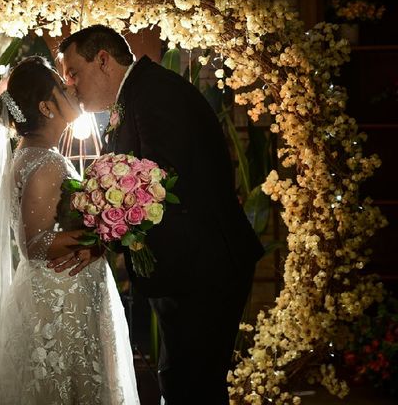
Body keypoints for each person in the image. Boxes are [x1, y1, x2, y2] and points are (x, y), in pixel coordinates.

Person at [52, 25, 265, 404]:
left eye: (74, 73)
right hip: (189, 267)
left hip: (202, 269)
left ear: (102, 60)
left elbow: (159, 187)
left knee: (191, 388)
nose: (71, 86)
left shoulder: (154, 94)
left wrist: (103, 235)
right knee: (185, 383)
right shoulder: (140, 93)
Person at [0, 56, 139, 405]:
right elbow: (35, 245)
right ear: (45, 106)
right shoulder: (45, 162)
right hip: (58, 301)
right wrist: (104, 235)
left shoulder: (36, 154)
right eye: (60, 85)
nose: (70, 87)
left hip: (60, 292)